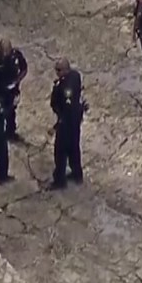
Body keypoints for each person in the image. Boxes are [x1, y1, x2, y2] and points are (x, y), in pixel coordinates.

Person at [48, 58, 87, 189]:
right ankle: (77, 174)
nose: (57, 73)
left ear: (65, 70)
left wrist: (57, 126)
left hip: (67, 123)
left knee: (60, 152)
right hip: (76, 120)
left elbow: (66, 109)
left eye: (59, 70)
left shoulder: (65, 89)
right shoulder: (75, 75)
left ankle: (59, 180)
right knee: (74, 148)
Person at [0, 38, 28, 141]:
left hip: (12, 90)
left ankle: (10, 132)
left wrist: (17, 81)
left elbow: (24, 69)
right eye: (5, 51)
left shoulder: (16, 56)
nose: (7, 54)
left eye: (9, 50)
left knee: (11, 111)